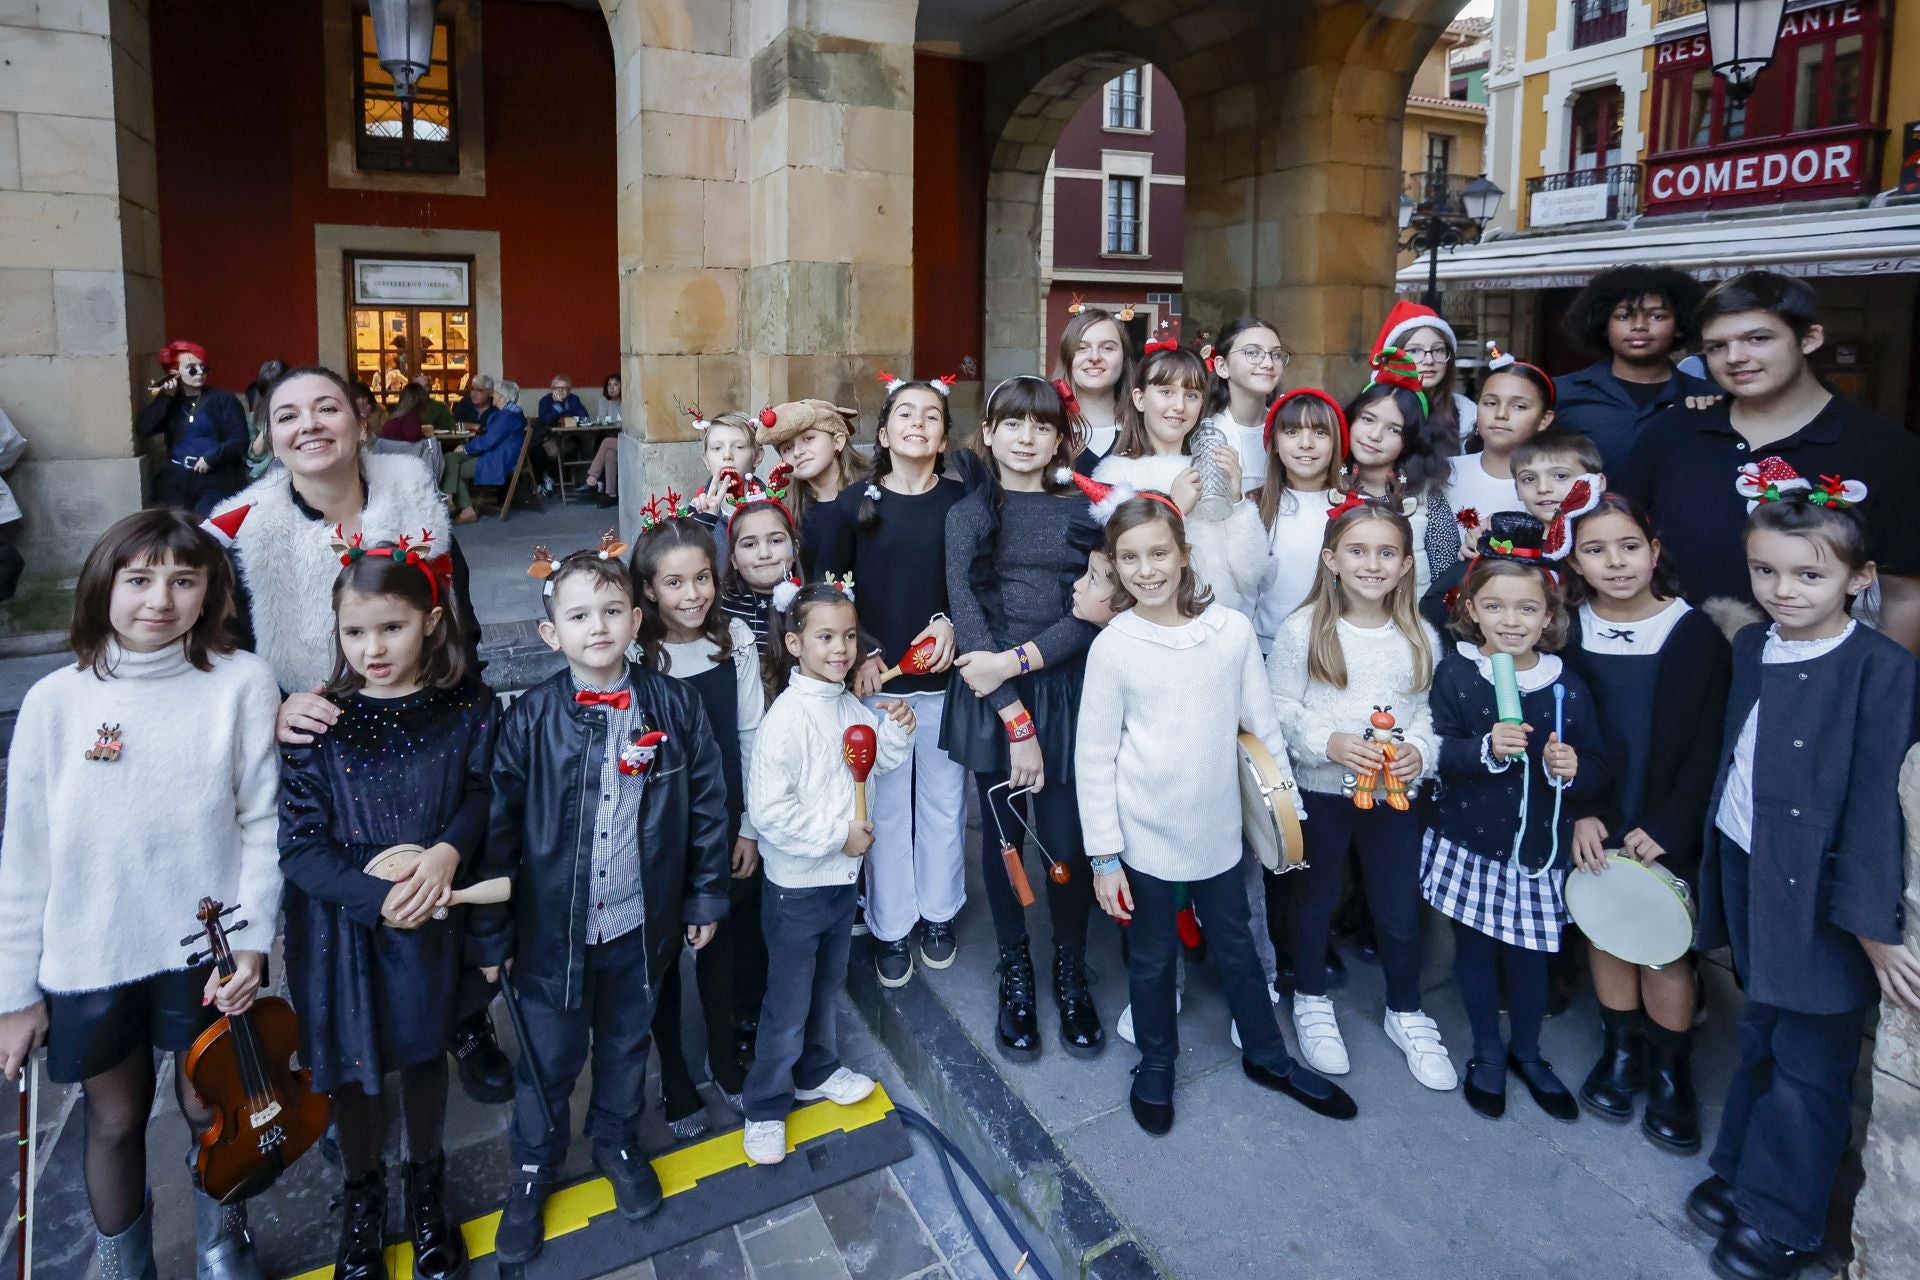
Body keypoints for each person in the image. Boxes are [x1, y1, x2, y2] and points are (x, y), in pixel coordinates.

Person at [211, 367, 507, 1105]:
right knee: (353, 906)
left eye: (327, 408)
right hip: (329, 752)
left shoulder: (415, 499)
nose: (309, 426)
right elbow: (221, 656)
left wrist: (459, 692)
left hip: (430, 722)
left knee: (446, 873)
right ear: (267, 435)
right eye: (287, 415)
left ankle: (464, 1025)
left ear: (361, 419)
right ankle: (359, 1049)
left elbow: (457, 610)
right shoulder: (242, 537)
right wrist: (268, 710)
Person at [0, 509, 281, 1279]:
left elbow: (260, 822)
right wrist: (14, 994)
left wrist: (254, 941)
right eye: (139, 579)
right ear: (105, 586)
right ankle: (127, 1266)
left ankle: (226, 1241)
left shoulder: (242, 684)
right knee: (115, 1119)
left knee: (210, 1109)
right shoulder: (57, 701)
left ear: (211, 593)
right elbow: (24, 854)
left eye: (183, 580)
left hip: (207, 949)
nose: (160, 599)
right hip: (91, 948)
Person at [1683, 471, 1920, 1280]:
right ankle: (1744, 1173)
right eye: (1766, 571)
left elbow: (1872, 803)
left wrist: (1873, 926)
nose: (1783, 590)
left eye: (1809, 574)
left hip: (1821, 894)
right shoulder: (1752, 644)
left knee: (1812, 1064)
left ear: (1859, 581)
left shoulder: (1882, 669)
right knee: (1761, 1029)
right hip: (1750, 865)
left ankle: (1787, 1220)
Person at [474, 547, 730, 1264]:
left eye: (613, 611)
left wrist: (705, 893)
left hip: (637, 923)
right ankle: (533, 1168)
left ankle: (616, 1136)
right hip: (554, 930)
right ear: (550, 632)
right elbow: (497, 833)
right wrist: (491, 935)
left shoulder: (674, 705)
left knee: (625, 1042)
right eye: (579, 615)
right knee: (548, 1058)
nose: (598, 626)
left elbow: (707, 804)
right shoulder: (528, 718)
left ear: (636, 620)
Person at [1077, 493, 1357, 1135]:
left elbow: (1260, 726)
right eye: (1130, 559)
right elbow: (1094, 756)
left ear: (1183, 555)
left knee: (1238, 943)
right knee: (1151, 956)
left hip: (1220, 828)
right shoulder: (1115, 646)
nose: (1147, 570)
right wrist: (1103, 854)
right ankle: (1155, 1062)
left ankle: (1266, 1054)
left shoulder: (1228, 632)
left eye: (1158, 554)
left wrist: (1279, 815)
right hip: (1144, 830)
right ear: (1115, 568)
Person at [277, 540, 492, 1280]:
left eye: (391, 628)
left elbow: (479, 793)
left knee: (424, 1049)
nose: (373, 648)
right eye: (355, 632)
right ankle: (362, 1198)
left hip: (430, 912)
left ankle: (426, 1186)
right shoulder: (322, 724)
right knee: (352, 1064)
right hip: (345, 925)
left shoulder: (465, 708)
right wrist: (378, 898)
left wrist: (445, 855)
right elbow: (300, 848)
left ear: (430, 621)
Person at [1615, 271, 1920, 653]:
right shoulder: (1675, 431)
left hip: (1809, 675)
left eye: (1757, 338)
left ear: (1809, 338)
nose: (1735, 358)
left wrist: (1877, 690)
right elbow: (1616, 532)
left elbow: (1905, 594)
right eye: (1716, 347)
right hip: (1674, 663)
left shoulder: (1882, 448)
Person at [1555, 489, 1729, 1152]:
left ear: (1654, 552)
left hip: (1663, 822)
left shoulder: (1692, 632)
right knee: (1605, 931)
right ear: (1575, 562)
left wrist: (1672, 825)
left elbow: (1709, 741)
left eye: (1630, 547)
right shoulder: (1571, 631)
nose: (1616, 562)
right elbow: (1568, 732)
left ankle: (1670, 1068)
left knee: (1663, 947)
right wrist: (1583, 814)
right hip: (1600, 813)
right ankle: (1620, 1049)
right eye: (1596, 550)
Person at [1422, 512, 1609, 1122]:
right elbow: (1438, 754)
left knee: (1532, 956)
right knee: (1475, 952)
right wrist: (1484, 751)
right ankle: (1485, 1051)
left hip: (1538, 850)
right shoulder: (1456, 675)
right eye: (1496, 607)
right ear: (1472, 609)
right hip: (1473, 842)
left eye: (1526, 610)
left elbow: (1601, 766)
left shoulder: (1567, 688)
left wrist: (1574, 765)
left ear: (1549, 617)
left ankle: (1528, 1051)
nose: (1511, 622)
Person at [1268, 500, 1456, 1092]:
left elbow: (1427, 714)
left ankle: (1407, 1010)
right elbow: (1277, 710)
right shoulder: (1305, 631)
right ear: (1331, 560)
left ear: (1405, 566)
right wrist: (1329, 741)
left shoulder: (1420, 634)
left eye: (1386, 553)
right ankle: (1311, 998)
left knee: (1397, 905)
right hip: (1322, 794)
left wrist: (1420, 753)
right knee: (1315, 896)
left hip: (1396, 798)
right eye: (1357, 550)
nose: (1371, 564)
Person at [943, 376, 1103, 1057]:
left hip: (1064, 687)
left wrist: (1022, 665)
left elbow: (1092, 613)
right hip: (996, 701)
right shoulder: (970, 514)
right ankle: (1017, 968)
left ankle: (1071, 965)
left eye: (1041, 426)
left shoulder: (1083, 512)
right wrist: (1013, 717)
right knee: (1005, 843)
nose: (1027, 437)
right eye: (1013, 424)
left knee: (1066, 843)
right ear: (989, 433)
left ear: (1059, 436)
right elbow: (969, 615)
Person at [740, 581, 914, 1166]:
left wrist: (895, 730)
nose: (840, 649)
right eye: (824, 637)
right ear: (794, 643)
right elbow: (770, 815)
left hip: (842, 883)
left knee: (826, 985)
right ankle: (764, 1105)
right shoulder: (785, 720)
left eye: (847, 637)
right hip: (796, 887)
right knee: (786, 1002)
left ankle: (817, 1071)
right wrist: (840, 834)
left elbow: (873, 767)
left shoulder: (846, 705)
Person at [816, 377, 967, 988]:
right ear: (883, 433)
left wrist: (955, 626)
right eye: (904, 413)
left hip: (944, 684)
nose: (917, 423)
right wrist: (860, 657)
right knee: (884, 807)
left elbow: (974, 581)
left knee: (941, 802)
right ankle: (890, 923)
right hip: (878, 687)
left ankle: (938, 912)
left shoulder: (961, 501)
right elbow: (831, 592)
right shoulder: (856, 505)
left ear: (943, 436)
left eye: (931, 416)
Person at [631, 515, 768, 1129]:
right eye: (674, 583)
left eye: (703, 578)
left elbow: (750, 732)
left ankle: (724, 1054)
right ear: (648, 591)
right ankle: (675, 1074)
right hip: (658, 824)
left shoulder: (732, 636)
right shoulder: (639, 653)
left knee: (725, 942)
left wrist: (750, 828)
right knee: (657, 952)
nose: (692, 595)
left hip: (724, 816)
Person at [1091, 342, 1268, 616]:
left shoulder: (1212, 468)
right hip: (1152, 628)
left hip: (1217, 622)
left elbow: (1250, 574)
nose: (1179, 406)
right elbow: (1120, 572)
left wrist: (1238, 501)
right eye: (1166, 392)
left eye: (1192, 395)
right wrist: (1174, 507)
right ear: (1139, 399)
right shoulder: (1115, 477)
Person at [1553, 265, 1713, 471]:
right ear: (1603, 325)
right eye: (1624, 316)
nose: (1639, 326)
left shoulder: (1710, 398)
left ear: (1680, 326)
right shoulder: (1559, 394)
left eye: (1657, 316)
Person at [1340, 376, 1459, 598]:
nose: (1375, 435)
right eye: (1367, 419)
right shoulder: (1329, 488)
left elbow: (1445, 580)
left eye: (1394, 430)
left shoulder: (1425, 498)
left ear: (1412, 440)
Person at [1251, 390, 1343, 652]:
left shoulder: (1353, 506)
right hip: (1268, 647)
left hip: (1333, 647)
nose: (1306, 443)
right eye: (1292, 432)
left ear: (1336, 442)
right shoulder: (1256, 506)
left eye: (1320, 433)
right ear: (1275, 442)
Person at [1446, 349, 1554, 534]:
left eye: (1519, 406)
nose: (1501, 414)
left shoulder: (1556, 485)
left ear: (1544, 420)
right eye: (1490, 403)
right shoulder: (1446, 472)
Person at [137, 340, 251, 515]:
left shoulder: (223, 400)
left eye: (203, 368)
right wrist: (163, 398)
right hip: (176, 477)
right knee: (177, 529)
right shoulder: (170, 403)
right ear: (174, 373)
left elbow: (240, 440)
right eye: (191, 368)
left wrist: (213, 456)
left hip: (214, 478)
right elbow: (144, 428)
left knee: (208, 526)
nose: (199, 373)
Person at [754, 400, 863, 576]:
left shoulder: (874, 492)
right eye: (787, 448)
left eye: (808, 438)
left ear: (838, 442)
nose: (797, 452)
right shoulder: (786, 509)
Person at [1201, 316, 1289, 493]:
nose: (1268, 363)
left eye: (1276, 354)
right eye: (1252, 353)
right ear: (1222, 366)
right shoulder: (1208, 434)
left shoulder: (1289, 428)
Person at [1372, 301, 1473, 453]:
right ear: (1394, 357)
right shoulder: (1372, 410)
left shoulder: (1467, 416)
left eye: (1438, 349)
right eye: (1414, 351)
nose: (1429, 360)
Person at [720, 476, 800, 661]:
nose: (764, 553)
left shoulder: (810, 604)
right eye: (750, 544)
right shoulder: (717, 605)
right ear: (733, 558)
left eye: (776, 541)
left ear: (795, 548)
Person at [1054, 307, 1136, 465]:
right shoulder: (1045, 426)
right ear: (1067, 357)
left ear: (1124, 358)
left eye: (1107, 348)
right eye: (1082, 348)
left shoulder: (1144, 428)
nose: (1094, 357)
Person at [441, 379, 528, 523]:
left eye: (494, 393)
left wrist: (466, 448)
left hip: (496, 459)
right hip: (492, 454)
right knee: (450, 457)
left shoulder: (507, 416)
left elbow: (489, 441)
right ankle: (449, 497)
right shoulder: (509, 413)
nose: (492, 395)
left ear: (501, 396)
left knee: (454, 470)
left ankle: (463, 507)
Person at [1512, 429, 1606, 522]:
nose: (1543, 489)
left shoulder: (1614, 533)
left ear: (1597, 483)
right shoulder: (1506, 536)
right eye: (1529, 479)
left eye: (1561, 476)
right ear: (1517, 490)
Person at [687, 411, 763, 516]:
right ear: (706, 460)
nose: (727, 455)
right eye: (717, 448)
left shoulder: (773, 505)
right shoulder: (696, 510)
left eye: (739, 447)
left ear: (758, 456)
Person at [533, 375, 589, 495]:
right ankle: (546, 479)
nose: (561, 391)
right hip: (548, 437)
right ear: (552, 389)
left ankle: (561, 479)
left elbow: (584, 416)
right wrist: (558, 406)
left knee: (576, 447)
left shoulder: (574, 399)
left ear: (570, 390)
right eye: (558, 388)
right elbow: (547, 420)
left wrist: (570, 418)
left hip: (569, 437)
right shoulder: (545, 401)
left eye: (565, 388)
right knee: (542, 451)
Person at [244, 358, 290, 478]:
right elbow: (255, 454)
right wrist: (269, 422)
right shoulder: (255, 417)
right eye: (269, 392)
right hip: (266, 475)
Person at [411, 372, 458, 436]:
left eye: (418, 386)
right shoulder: (404, 408)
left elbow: (451, 429)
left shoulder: (440, 407)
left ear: (428, 389)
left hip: (434, 442)